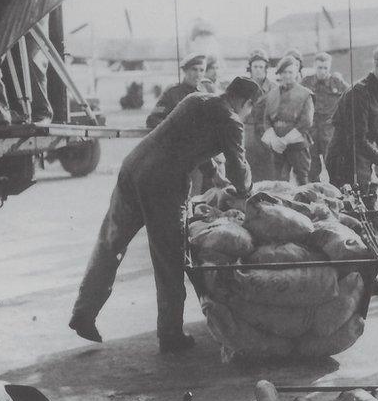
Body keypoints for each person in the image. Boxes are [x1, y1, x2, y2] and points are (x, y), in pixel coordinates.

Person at [69, 77, 257, 352]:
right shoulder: (231, 120)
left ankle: (83, 313)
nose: (248, 114)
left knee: (111, 243)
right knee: (169, 257)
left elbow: (186, 137)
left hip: (133, 168)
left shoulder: (195, 99)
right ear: (244, 102)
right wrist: (245, 191)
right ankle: (170, 335)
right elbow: (238, 169)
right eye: (250, 108)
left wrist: (213, 176)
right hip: (164, 185)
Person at [325, 44, 378, 189]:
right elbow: (357, 140)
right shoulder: (358, 93)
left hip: (363, 161)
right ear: (376, 64)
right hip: (345, 163)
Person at [263, 55, 314, 184]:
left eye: (290, 72)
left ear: (296, 73)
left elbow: (306, 121)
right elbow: (267, 119)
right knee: (279, 182)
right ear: (280, 73)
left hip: (298, 144)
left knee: (302, 180)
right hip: (277, 146)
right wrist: (274, 139)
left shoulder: (305, 94)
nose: (287, 75)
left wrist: (286, 140)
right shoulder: (272, 94)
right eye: (284, 72)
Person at [303, 52, 349, 182]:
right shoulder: (306, 82)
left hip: (330, 130)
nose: (322, 71)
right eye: (319, 68)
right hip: (311, 130)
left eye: (325, 68)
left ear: (329, 68)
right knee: (311, 168)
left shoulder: (337, 83)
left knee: (334, 167)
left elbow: (351, 98)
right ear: (314, 67)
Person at [146, 54, 206, 129]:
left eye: (201, 70)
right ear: (185, 71)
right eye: (194, 69)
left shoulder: (205, 93)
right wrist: (174, 128)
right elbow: (152, 119)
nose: (198, 74)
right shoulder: (172, 93)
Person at [244, 49, 278, 183]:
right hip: (249, 132)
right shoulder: (243, 85)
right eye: (255, 67)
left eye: (261, 67)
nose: (258, 70)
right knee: (248, 173)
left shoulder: (273, 88)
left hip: (267, 132)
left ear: (266, 68)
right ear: (250, 68)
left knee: (269, 172)